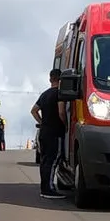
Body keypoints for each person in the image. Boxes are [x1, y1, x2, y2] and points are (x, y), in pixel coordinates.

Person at [30, 68, 66, 199]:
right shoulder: (59, 94)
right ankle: (49, 189)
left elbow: (33, 110)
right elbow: (61, 112)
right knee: (53, 159)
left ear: (50, 79)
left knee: (44, 160)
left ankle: (44, 187)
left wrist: (42, 121)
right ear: (61, 80)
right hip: (55, 131)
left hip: (44, 131)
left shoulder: (44, 94)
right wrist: (65, 124)